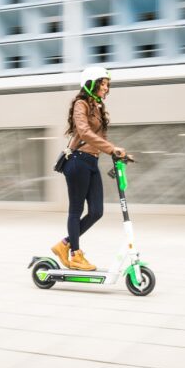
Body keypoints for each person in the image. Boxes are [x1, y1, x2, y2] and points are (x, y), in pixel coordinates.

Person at [51, 67, 128, 271]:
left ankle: (64, 244)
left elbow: (101, 138)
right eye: (103, 83)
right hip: (77, 161)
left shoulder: (98, 106)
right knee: (76, 210)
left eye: (107, 84)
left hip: (92, 162)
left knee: (96, 211)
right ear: (91, 84)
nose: (106, 87)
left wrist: (118, 153)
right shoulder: (81, 104)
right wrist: (112, 149)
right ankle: (75, 254)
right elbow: (84, 132)